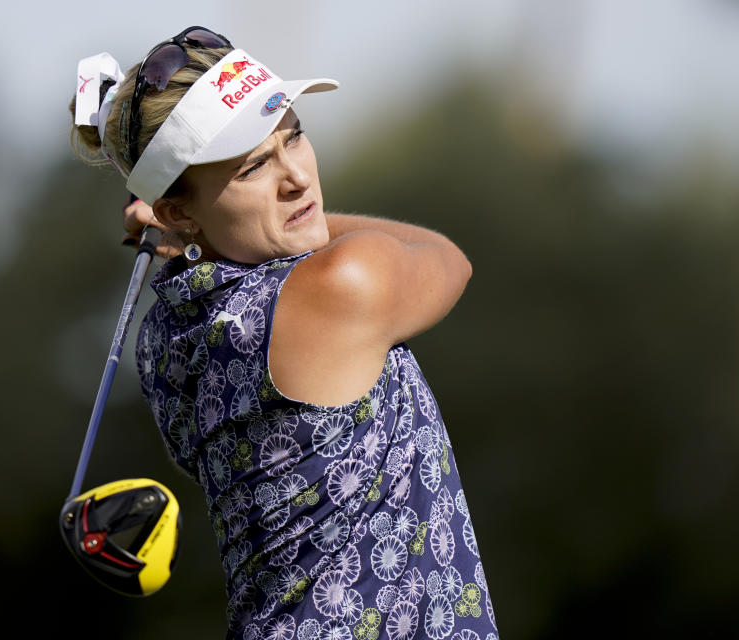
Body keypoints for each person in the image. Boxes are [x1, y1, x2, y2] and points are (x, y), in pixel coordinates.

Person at [70, 26, 499, 640]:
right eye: (252, 168)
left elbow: (248, 255)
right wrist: (199, 236)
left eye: (293, 136)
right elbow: (448, 259)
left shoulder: (161, 340)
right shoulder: (346, 282)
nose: (295, 177)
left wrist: (194, 237)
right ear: (174, 209)